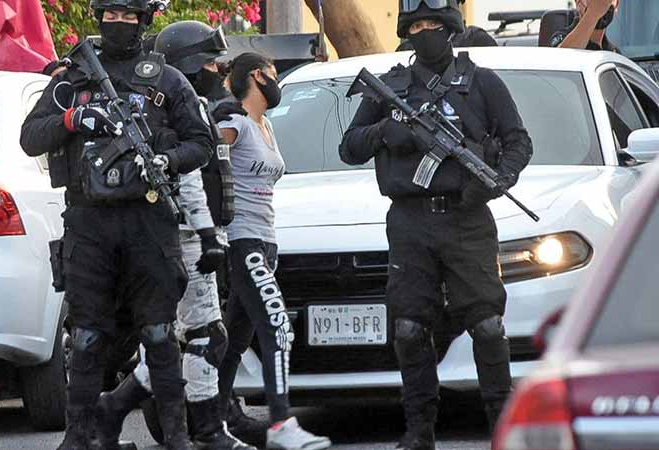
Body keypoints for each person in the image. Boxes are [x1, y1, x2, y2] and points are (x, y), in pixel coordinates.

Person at [19, 0, 214, 448]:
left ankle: (178, 436)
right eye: (112, 16)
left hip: (148, 220)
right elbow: (30, 138)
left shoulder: (167, 80)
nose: (119, 25)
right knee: (86, 337)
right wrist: (72, 118)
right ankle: (78, 438)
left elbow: (200, 142)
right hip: (89, 223)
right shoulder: (71, 79)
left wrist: (167, 159)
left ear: (144, 22)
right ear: (99, 19)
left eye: (129, 17)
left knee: (161, 334)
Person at [339, 1, 533, 449]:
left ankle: (504, 430)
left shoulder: (482, 82)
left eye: (434, 26)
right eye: (418, 26)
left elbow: (518, 141)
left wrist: (500, 179)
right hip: (409, 222)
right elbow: (349, 147)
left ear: (451, 31)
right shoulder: (389, 88)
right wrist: (387, 130)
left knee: (487, 325)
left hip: (467, 218)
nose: (426, 32)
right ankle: (419, 431)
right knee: (408, 328)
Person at [93, 20, 255, 450]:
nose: (218, 71)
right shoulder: (179, 110)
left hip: (189, 233)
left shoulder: (194, 104)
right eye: (208, 62)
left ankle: (115, 408)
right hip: (181, 235)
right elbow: (188, 181)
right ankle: (206, 429)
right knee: (202, 336)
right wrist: (206, 234)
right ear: (187, 65)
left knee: (186, 339)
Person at [215, 52, 332, 450]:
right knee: (278, 327)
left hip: (267, 242)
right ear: (255, 76)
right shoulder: (235, 124)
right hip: (242, 240)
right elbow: (201, 145)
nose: (276, 82)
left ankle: (209, 418)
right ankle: (281, 422)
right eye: (273, 75)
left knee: (232, 340)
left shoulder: (265, 127)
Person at [395, 0, 496, 51]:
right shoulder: (405, 51)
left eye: (433, 24)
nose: (425, 31)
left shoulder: (478, 42)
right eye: (417, 26)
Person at [553, 0, 620, 51]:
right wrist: (593, 14)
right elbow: (560, 59)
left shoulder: (614, 54)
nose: (601, 6)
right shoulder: (561, 37)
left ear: (616, 4)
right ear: (578, 2)